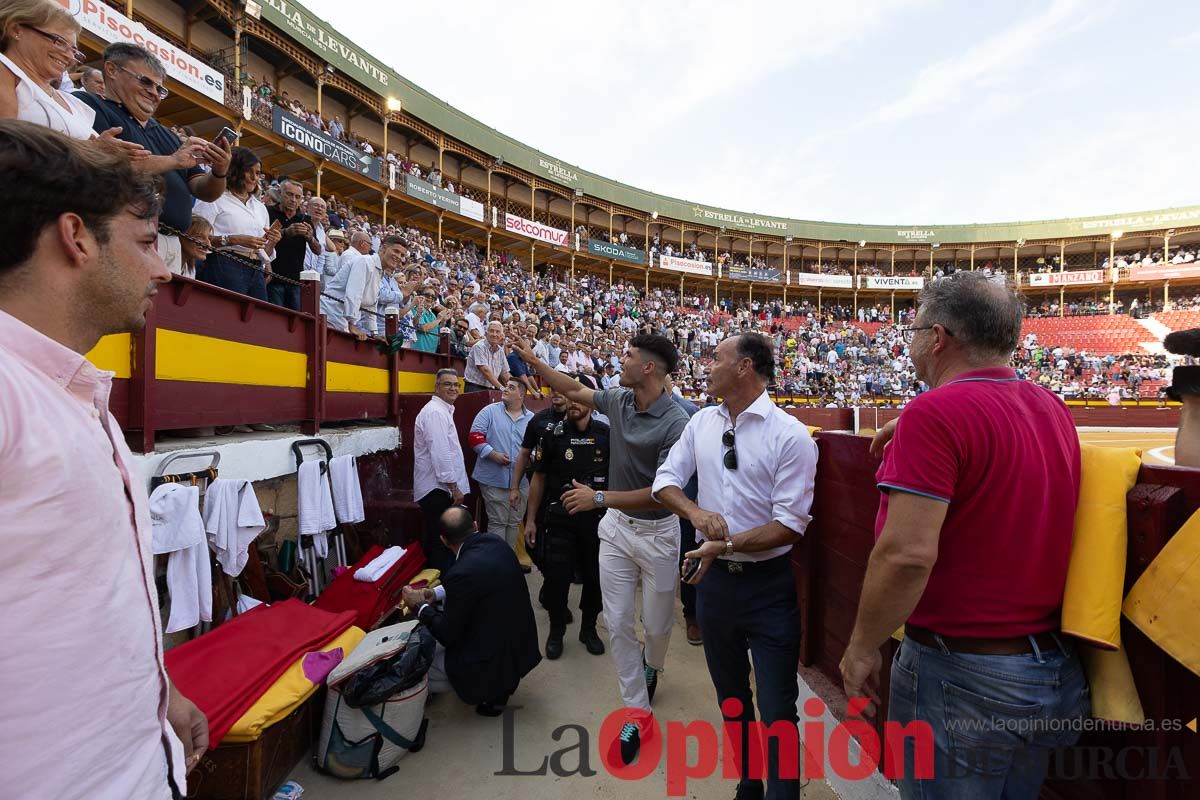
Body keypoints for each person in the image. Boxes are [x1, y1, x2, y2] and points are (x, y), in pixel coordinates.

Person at [0, 120, 207, 798]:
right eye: (147, 242)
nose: (164, 268)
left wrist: (158, 693)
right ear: (76, 237)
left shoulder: (73, 392)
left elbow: (84, 593)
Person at [840, 273, 1087, 799]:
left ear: (938, 338)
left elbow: (906, 555)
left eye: (913, 327)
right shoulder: (1053, 408)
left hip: (960, 677)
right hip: (1046, 669)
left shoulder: (936, 415)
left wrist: (862, 648)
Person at [511, 333, 689, 764]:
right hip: (617, 531)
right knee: (618, 621)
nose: (620, 361)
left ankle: (654, 665)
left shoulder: (677, 422)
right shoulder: (619, 401)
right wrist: (535, 360)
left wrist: (600, 498)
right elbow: (572, 388)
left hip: (659, 533)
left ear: (648, 367)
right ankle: (637, 713)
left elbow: (664, 492)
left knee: (659, 624)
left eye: (628, 356)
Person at [654, 333, 817, 800]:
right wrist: (697, 515)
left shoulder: (789, 435)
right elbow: (665, 480)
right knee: (730, 695)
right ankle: (749, 781)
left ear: (744, 367)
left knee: (777, 705)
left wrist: (721, 545)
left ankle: (783, 793)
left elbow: (789, 525)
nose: (707, 366)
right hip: (717, 588)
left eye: (716, 358)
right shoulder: (701, 422)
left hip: (767, 586)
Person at [76, 43, 231, 274]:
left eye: (160, 89)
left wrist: (219, 171)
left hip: (171, 243)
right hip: (119, 232)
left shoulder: (167, 134)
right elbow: (107, 167)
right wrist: (174, 161)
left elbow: (204, 191)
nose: (154, 93)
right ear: (112, 70)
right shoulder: (88, 105)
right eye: (145, 81)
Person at [405, 506, 541, 716]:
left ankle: (485, 687)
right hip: (519, 649)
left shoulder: (461, 572)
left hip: (490, 659)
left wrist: (419, 606)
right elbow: (476, 581)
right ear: (476, 526)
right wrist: (435, 593)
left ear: (443, 540)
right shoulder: (497, 544)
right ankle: (498, 689)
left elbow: (447, 634)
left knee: (417, 664)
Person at [525, 382, 609, 660]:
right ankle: (556, 631)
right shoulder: (552, 434)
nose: (573, 402)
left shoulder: (606, 434)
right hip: (560, 520)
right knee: (557, 579)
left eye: (579, 396)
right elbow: (538, 477)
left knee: (595, 580)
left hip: (597, 522)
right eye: (570, 397)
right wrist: (531, 520)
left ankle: (588, 629)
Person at [0, 0, 99, 138]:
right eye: (59, 41)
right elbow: (6, 145)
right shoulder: (4, 69)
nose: (69, 56)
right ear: (16, 30)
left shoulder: (75, 104)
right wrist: (91, 152)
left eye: (74, 51)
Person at [194, 146, 279, 300]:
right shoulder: (215, 197)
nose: (254, 177)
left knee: (257, 319)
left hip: (256, 269)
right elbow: (195, 237)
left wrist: (272, 242)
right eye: (249, 171)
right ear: (235, 170)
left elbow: (263, 249)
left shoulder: (260, 208)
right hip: (224, 263)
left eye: (258, 173)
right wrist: (234, 240)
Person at [413, 368, 470, 572]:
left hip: (439, 487)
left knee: (439, 540)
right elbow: (440, 454)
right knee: (441, 543)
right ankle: (439, 590)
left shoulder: (441, 410)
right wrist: (454, 487)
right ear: (436, 387)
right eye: (447, 384)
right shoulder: (435, 412)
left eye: (456, 384)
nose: (453, 388)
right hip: (438, 489)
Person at [468, 378, 534, 555]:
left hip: (520, 483)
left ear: (522, 394)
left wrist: (532, 458)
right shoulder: (489, 411)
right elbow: (474, 437)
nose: (505, 389)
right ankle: (496, 564)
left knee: (513, 523)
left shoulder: (531, 419)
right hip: (493, 478)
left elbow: (537, 446)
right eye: (505, 386)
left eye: (511, 388)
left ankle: (508, 562)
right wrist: (493, 454)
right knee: (498, 522)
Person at [266, 178, 320, 310]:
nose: (293, 200)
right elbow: (261, 240)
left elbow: (318, 250)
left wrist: (310, 237)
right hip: (273, 278)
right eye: (289, 195)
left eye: (297, 197)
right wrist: (285, 232)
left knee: (295, 321)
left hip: (295, 281)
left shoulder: (305, 219)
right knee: (274, 317)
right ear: (280, 193)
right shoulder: (268, 212)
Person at [464, 320, 509, 392]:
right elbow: (485, 370)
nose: (494, 334)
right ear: (486, 333)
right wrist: (502, 388)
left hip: (490, 389)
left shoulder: (500, 351)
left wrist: (514, 387)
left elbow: (505, 373)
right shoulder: (479, 346)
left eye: (497, 332)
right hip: (474, 388)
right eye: (492, 331)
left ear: (501, 335)